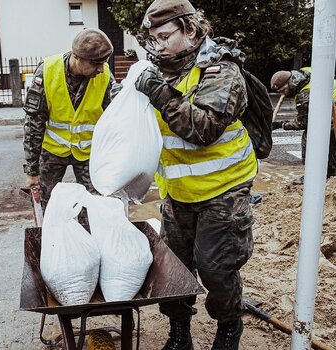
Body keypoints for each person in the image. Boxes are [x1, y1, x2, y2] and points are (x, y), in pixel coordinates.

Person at [135, 0, 258, 349]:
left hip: (224, 188)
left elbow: (203, 129)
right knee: (173, 268)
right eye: (153, 39)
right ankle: (179, 334)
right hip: (177, 191)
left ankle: (229, 327)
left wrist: (157, 93)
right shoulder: (160, 71)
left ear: (190, 29)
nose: (157, 46)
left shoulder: (221, 72)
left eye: (164, 37)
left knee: (216, 267)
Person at [22, 28, 115, 218]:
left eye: (103, 63)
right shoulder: (47, 71)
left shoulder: (104, 76)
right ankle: (55, 243)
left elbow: (115, 120)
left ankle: (88, 240)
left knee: (96, 205)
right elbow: (34, 125)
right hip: (53, 151)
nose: (101, 69)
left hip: (88, 153)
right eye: (96, 63)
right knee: (49, 206)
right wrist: (32, 172)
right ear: (77, 57)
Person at [271, 68, 336, 183]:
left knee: (310, 138)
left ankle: (315, 176)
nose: (283, 94)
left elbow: (303, 122)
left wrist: (281, 125)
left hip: (332, 115)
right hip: (330, 108)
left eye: (284, 90)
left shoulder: (304, 95)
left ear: (289, 83)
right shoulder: (305, 72)